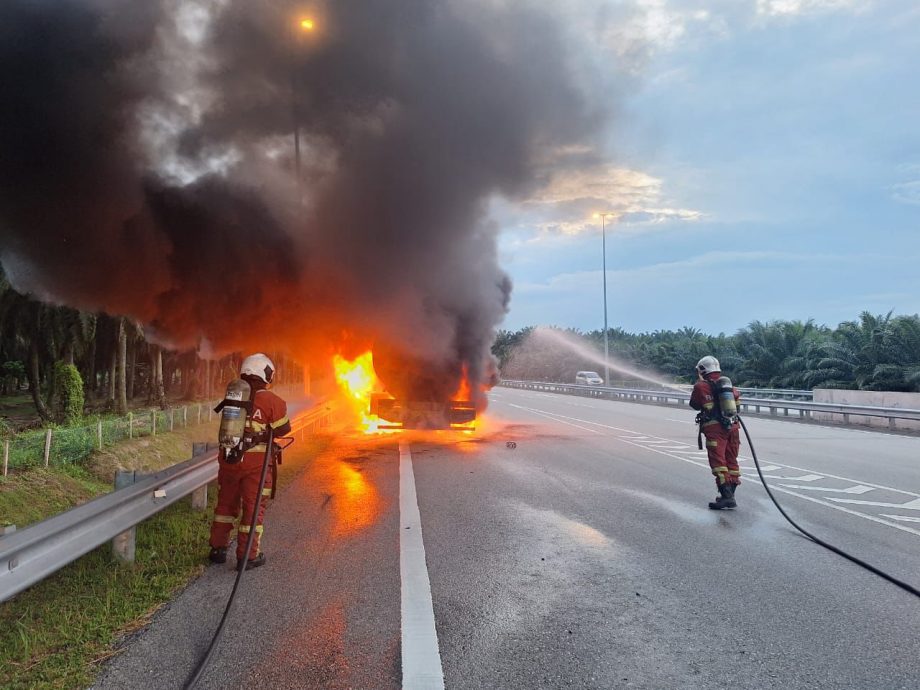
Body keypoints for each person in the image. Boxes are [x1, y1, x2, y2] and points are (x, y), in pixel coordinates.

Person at [209, 353, 291, 570]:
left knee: (225, 506)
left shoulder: (234, 397)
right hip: (255, 467)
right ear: (264, 373)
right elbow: (284, 429)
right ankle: (248, 556)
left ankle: (217, 549)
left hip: (228, 461)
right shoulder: (272, 401)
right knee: (253, 510)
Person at [689, 355, 741, 510]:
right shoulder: (729, 386)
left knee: (718, 463)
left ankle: (727, 497)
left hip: (715, 431)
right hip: (733, 429)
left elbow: (695, 404)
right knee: (731, 461)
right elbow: (737, 407)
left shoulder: (701, 386)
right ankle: (730, 495)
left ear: (702, 369)